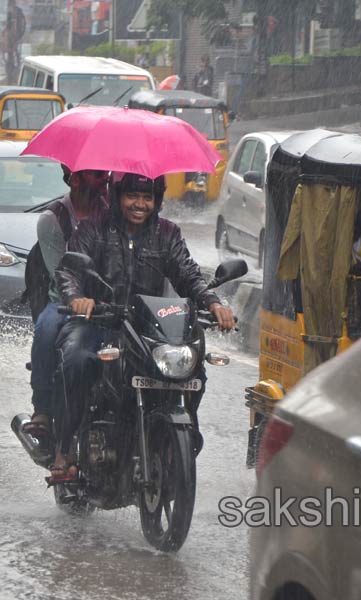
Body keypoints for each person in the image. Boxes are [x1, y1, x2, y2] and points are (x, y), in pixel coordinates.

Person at [49, 172, 236, 482]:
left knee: (193, 369)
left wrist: (213, 303)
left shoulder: (168, 234)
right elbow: (69, 270)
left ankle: (183, 434)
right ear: (118, 196)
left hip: (149, 328)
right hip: (100, 323)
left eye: (147, 197)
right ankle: (65, 446)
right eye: (132, 196)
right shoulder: (93, 228)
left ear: (157, 201)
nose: (140, 204)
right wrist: (79, 298)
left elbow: (188, 275)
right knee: (76, 359)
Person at [22, 168, 109, 447]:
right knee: (46, 329)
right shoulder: (52, 219)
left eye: (105, 174)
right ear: (74, 180)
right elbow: (60, 271)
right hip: (63, 298)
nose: (104, 180)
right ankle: (43, 407)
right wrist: (78, 299)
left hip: (109, 300)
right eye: (96, 175)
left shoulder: (114, 212)